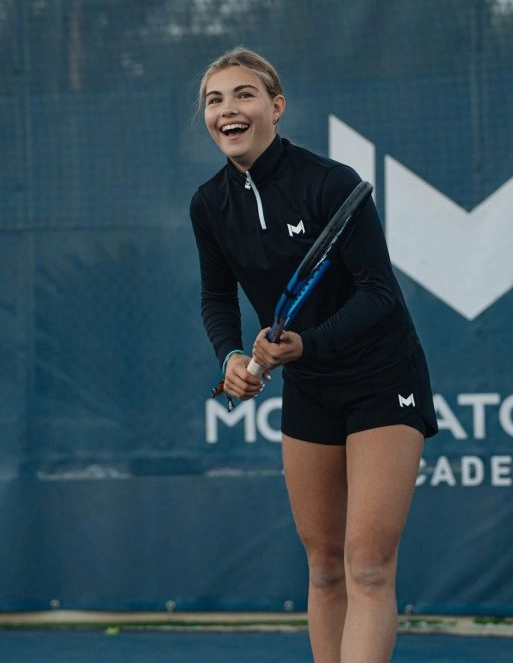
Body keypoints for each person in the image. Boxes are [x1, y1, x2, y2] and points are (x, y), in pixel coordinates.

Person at [189, 47, 439, 663]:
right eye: (214, 100)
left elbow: (380, 295)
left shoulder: (330, 183)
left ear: (275, 106)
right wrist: (228, 356)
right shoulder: (209, 205)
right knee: (325, 568)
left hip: (383, 378)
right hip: (310, 386)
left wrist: (309, 343)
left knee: (369, 567)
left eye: (243, 95)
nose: (228, 109)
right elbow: (218, 297)